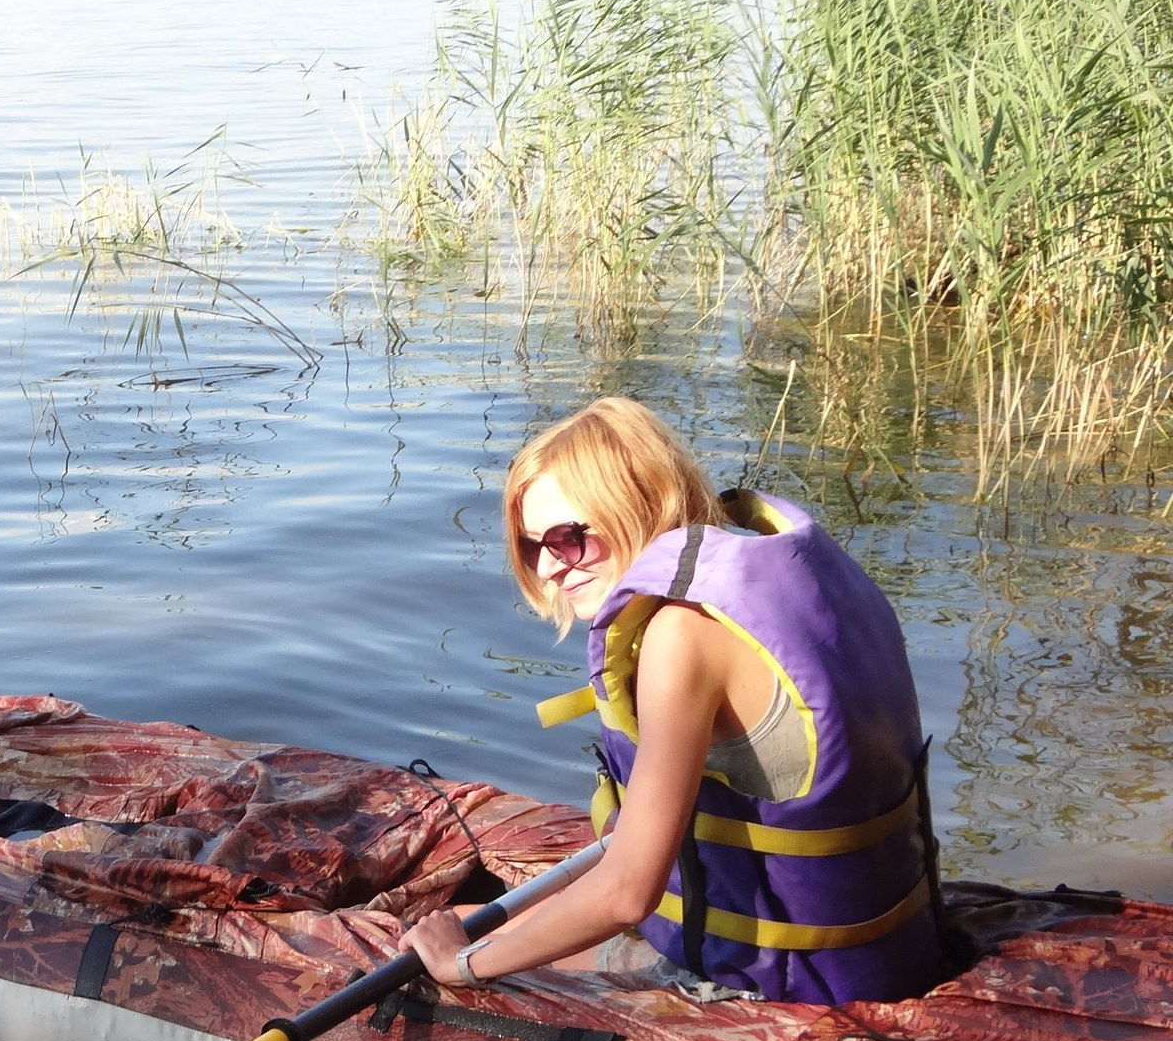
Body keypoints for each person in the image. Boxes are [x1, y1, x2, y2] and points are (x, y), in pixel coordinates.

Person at [403, 397, 945, 1005]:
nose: (552, 568)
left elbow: (625, 894)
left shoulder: (680, 633)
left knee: (439, 938)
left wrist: (463, 965)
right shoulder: (801, 574)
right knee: (489, 913)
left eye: (569, 537)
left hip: (794, 984)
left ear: (637, 503)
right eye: (533, 547)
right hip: (890, 948)